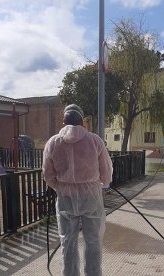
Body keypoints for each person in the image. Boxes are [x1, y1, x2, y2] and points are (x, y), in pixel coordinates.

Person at [42, 104, 113, 276]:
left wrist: (61, 187)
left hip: (65, 197)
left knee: (68, 241)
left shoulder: (53, 143)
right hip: (91, 196)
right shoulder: (94, 140)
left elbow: (48, 174)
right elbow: (106, 172)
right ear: (82, 121)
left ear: (64, 121)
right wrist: (100, 184)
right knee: (93, 240)